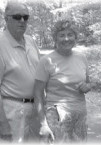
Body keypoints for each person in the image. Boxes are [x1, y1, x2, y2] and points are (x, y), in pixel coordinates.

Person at [34, 20, 93, 143]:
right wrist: (43, 124)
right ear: (55, 38)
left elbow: (88, 83)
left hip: (80, 115)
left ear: (75, 37)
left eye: (70, 34)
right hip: (56, 117)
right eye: (62, 35)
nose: (66, 39)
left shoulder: (81, 58)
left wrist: (87, 87)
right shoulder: (46, 61)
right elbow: (38, 94)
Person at [0, 1, 40, 143]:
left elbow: (40, 74)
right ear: (6, 18)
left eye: (25, 17)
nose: (22, 20)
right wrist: (3, 126)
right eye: (17, 17)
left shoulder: (30, 41)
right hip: (13, 113)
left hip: (35, 109)